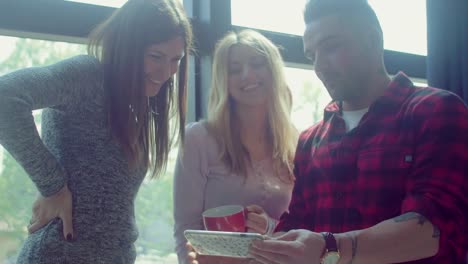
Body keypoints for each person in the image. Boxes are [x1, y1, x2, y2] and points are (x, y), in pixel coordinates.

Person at [248, 0, 468, 264]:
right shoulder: (309, 141)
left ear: (373, 40)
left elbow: (435, 228)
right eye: (311, 55)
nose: (319, 66)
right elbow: (297, 224)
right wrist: (252, 253)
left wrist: (328, 249)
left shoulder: (435, 110)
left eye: (331, 47)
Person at [0, 0, 192, 263]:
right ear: (127, 48)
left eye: (175, 60)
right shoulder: (88, 75)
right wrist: (52, 186)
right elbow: (5, 98)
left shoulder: (135, 106)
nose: (166, 72)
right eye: (155, 56)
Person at [173, 29, 298, 264]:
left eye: (257, 64)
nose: (247, 75)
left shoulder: (295, 143)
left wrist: (268, 226)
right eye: (234, 69)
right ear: (223, 80)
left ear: (273, 70)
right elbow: (185, 229)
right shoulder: (199, 139)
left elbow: (299, 228)